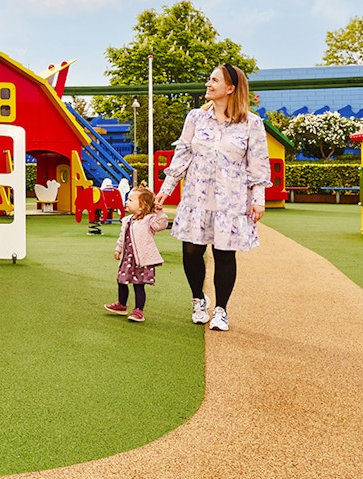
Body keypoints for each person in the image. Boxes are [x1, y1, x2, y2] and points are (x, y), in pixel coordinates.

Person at [156, 64, 271, 332]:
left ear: (230, 88)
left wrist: (259, 198)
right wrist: (167, 188)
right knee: (191, 250)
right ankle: (198, 299)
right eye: (209, 79)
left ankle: (221, 310)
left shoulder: (252, 123)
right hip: (196, 197)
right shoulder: (195, 118)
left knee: (224, 254)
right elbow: (183, 154)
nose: (208, 84)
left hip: (230, 201)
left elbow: (258, 165)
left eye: (214, 80)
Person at [104, 185, 168, 323]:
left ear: (141, 206)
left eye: (131, 200)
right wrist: (118, 249)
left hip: (141, 260)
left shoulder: (149, 220)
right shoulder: (127, 220)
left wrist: (159, 212)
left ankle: (139, 310)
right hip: (128, 258)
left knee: (139, 284)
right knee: (121, 280)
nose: (127, 202)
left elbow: (161, 225)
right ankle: (121, 305)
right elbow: (122, 236)